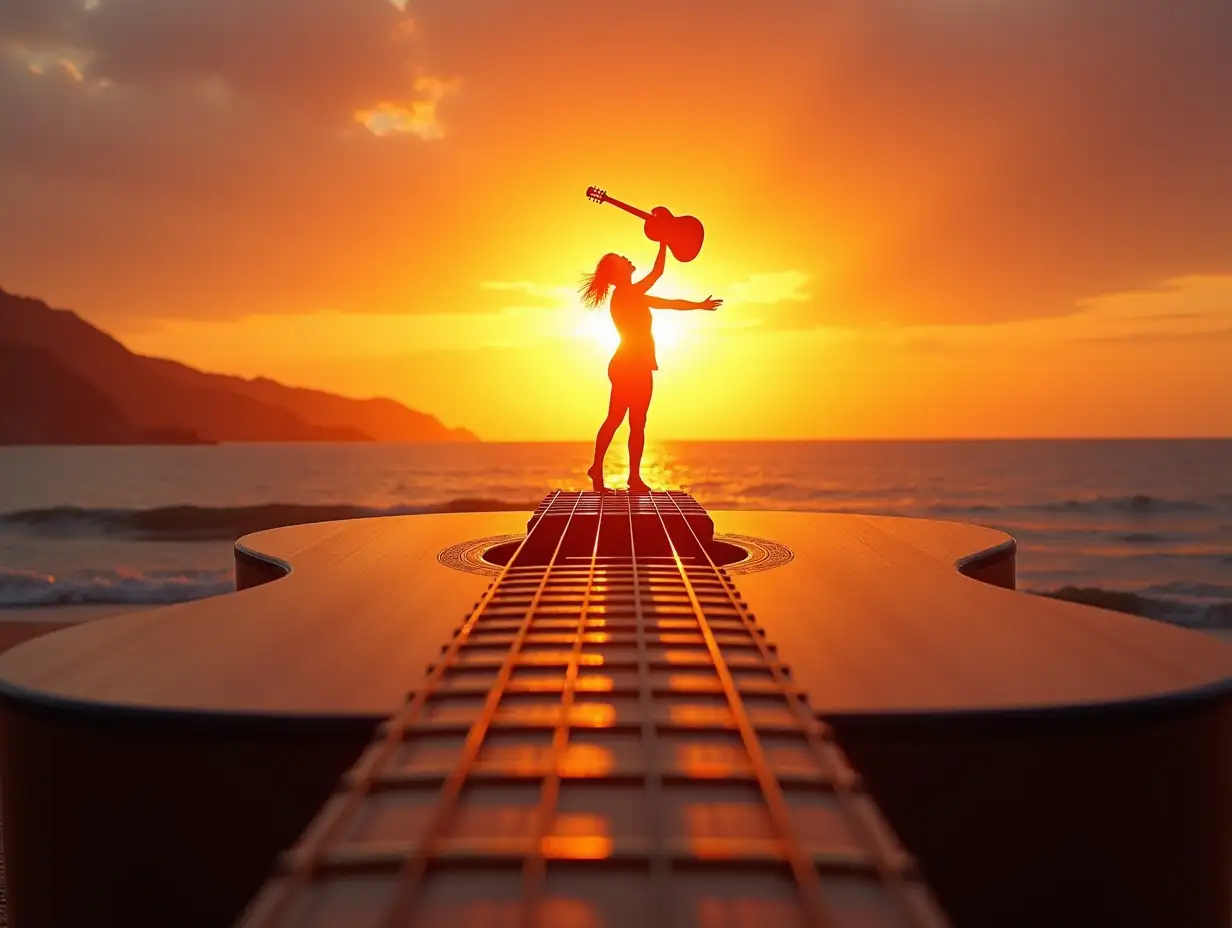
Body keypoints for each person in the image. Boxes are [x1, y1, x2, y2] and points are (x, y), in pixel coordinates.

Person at [579, 241, 722, 492]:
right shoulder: (626, 293)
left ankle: (631, 477)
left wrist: (698, 305)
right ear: (617, 272)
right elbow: (658, 273)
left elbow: (671, 303)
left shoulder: (633, 294)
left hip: (637, 364)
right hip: (628, 365)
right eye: (622, 259)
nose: (627, 257)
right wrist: (665, 240)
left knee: (636, 422)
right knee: (617, 419)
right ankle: (603, 470)